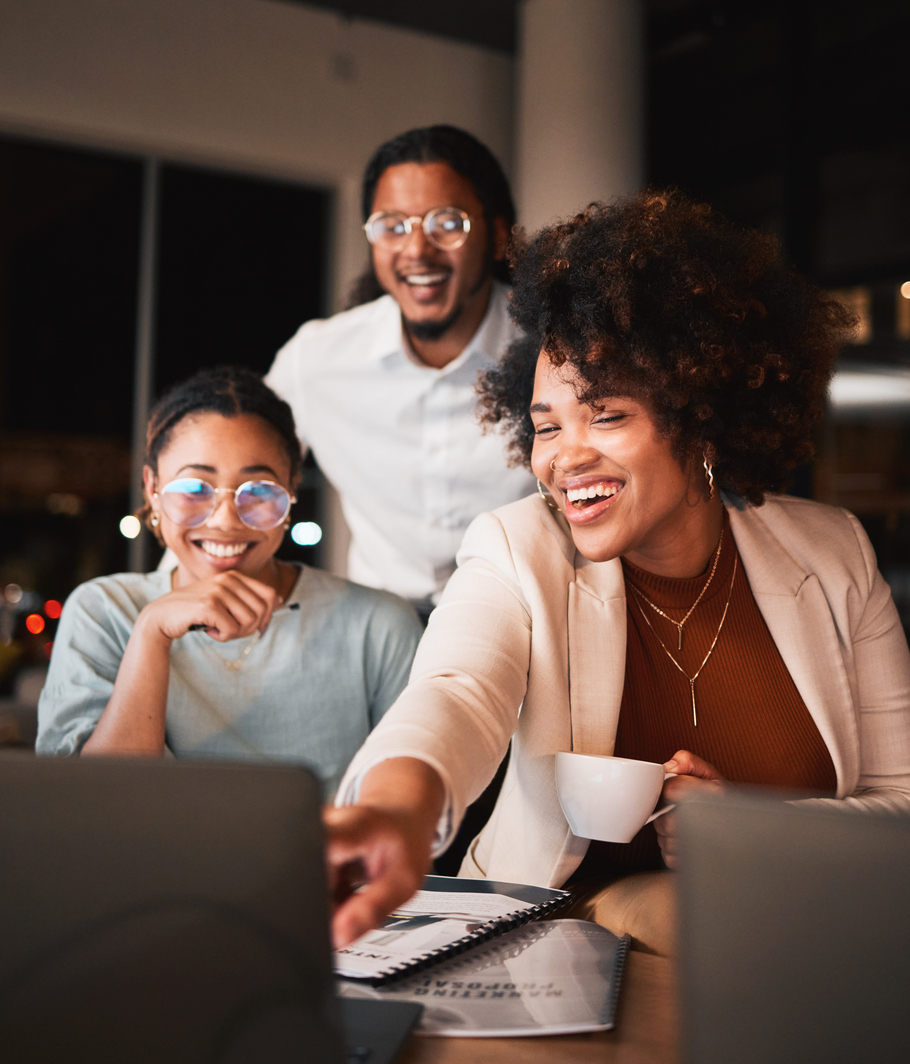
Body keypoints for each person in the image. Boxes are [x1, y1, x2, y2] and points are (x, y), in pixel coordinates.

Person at [324, 190, 910, 953]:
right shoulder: (514, 549)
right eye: (545, 428)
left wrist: (747, 831)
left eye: (607, 415)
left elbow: (901, 801)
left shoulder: (832, 553)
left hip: (787, 946)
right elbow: (457, 692)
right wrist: (396, 811)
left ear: (697, 413)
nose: (566, 458)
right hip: (551, 943)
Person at [37, 367, 421, 796]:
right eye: (194, 487)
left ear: (291, 488)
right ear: (152, 490)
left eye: (257, 491)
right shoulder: (103, 610)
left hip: (316, 863)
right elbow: (90, 803)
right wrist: (152, 631)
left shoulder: (378, 624)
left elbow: (405, 803)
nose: (224, 521)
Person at [266, 125, 535, 619]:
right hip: (378, 638)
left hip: (530, 628)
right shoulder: (317, 359)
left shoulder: (555, 351)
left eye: (446, 223)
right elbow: (237, 465)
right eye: (392, 225)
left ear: (498, 236)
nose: (416, 250)